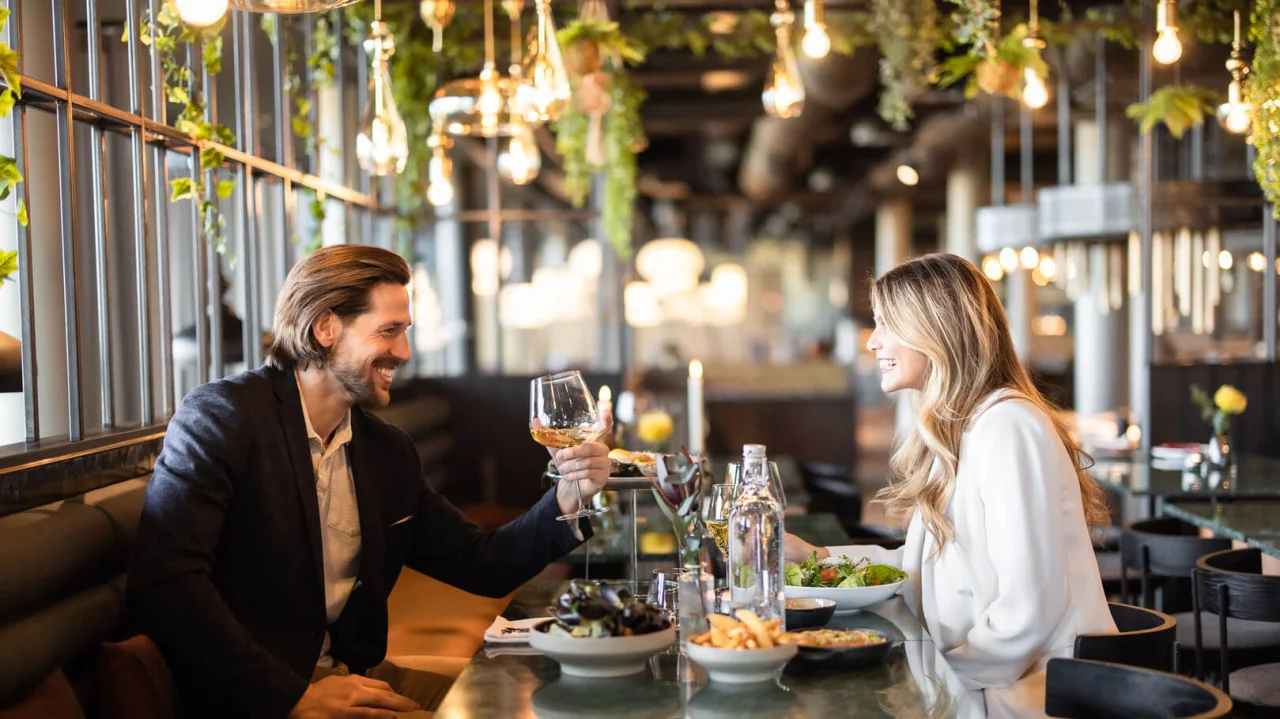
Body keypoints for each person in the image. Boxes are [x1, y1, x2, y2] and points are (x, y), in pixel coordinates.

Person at [129, 245, 611, 719]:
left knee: (530, 688)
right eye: (389, 331)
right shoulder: (223, 417)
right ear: (325, 328)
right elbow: (168, 582)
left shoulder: (384, 450)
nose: (403, 352)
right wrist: (293, 699)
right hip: (260, 694)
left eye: (405, 332)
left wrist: (568, 496)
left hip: (351, 674)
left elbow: (482, 563)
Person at [786, 253, 1115, 702]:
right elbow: (923, 565)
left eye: (888, 324)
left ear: (935, 329)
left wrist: (931, 682)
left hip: (1032, 695)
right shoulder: (964, 426)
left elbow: (1028, 608)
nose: (874, 342)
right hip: (990, 683)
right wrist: (817, 557)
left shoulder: (1008, 426)